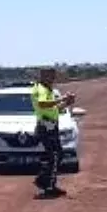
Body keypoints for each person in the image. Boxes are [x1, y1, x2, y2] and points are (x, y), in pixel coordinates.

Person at [31, 67, 76, 198]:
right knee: (55, 155)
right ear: (42, 76)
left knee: (57, 155)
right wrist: (62, 98)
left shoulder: (48, 90)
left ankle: (45, 181)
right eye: (49, 76)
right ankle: (48, 186)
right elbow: (42, 104)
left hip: (51, 125)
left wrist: (66, 103)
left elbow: (54, 110)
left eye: (53, 76)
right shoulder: (41, 89)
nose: (52, 78)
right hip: (46, 126)